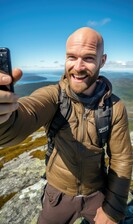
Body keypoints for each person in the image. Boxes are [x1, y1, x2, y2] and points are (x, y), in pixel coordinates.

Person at [0, 27, 132, 224]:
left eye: (88, 58)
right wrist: (5, 117)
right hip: (57, 195)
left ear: (102, 61)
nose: (78, 67)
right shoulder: (53, 97)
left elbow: (121, 158)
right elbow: (20, 121)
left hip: (97, 193)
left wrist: (112, 210)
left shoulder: (115, 107)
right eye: (71, 57)